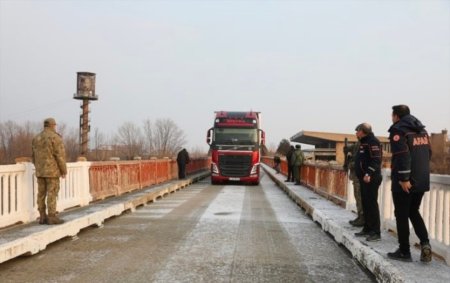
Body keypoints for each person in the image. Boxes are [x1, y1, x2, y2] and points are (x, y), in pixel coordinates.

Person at [387, 105, 432, 262]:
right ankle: (425, 243)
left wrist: (404, 179)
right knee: (413, 211)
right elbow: (428, 154)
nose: (391, 118)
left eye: (392, 115)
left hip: (405, 182)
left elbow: (402, 155)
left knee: (401, 215)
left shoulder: (398, 130)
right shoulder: (422, 131)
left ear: (396, 116)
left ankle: (404, 251)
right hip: (421, 180)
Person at [32, 118, 67, 225]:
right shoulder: (55, 138)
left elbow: (33, 156)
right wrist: (63, 170)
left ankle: (42, 216)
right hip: (52, 171)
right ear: (53, 125)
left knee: (41, 193)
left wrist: (38, 167)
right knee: (52, 192)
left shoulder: (36, 138)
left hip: (40, 171)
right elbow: (59, 156)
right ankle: (51, 216)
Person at [353, 123, 382, 242]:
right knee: (365, 203)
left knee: (372, 204)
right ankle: (367, 228)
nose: (356, 132)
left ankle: (376, 232)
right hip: (363, 178)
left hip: (371, 178)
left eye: (357, 130)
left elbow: (376, 159)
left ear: (363, 131)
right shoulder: (363, 142)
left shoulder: (372, 142)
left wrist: (368, 173)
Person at [344, 140, 364, 227]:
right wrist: (346, 149)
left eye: (358, 131)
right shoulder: (357, 144)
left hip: (359, 176)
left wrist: (349, 164)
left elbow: (359, 162)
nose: (356, 133)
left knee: (360, 197)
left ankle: (362, 218)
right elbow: (348, 148)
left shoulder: (363, 144)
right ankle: (360, 216)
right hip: (356, 176)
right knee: (357, 197)